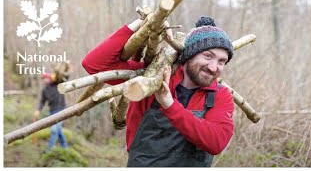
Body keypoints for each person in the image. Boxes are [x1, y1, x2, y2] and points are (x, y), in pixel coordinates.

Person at [82, 16, 234, 167]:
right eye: (208, 56)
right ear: (190, 55)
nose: (214, 67)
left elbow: (216, 143)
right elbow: (94, 65)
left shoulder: (220, 95)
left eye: (221, 61)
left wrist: (170, 105)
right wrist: (143, 23)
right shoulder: (151, 78)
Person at [33, 72, 68, 150]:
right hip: (52, 111)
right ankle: (65, 148)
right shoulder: (45, 90)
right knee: (58, 130)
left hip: (61, 110)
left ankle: (49, 149)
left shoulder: (58, 83)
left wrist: (61, 74)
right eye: (44, 78)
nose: (45, 80)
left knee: (54, 130)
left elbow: (66, 77)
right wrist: (38, 110)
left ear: (51, 78)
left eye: (47, 78)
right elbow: (42, 101)